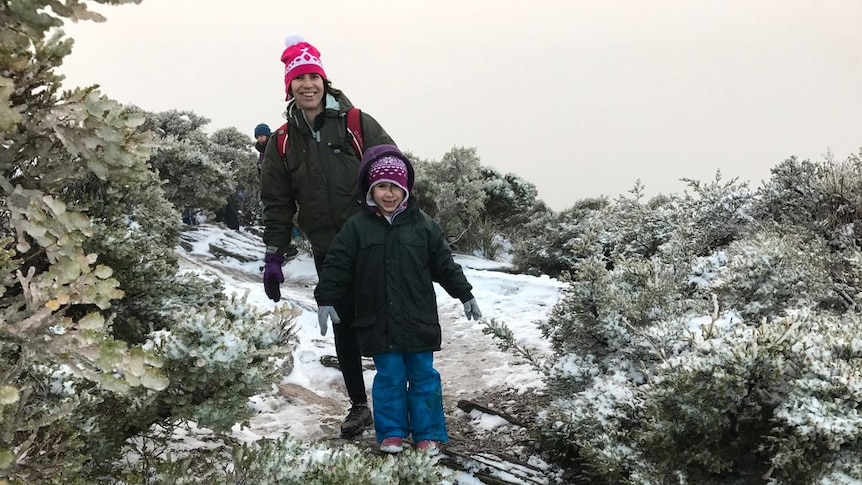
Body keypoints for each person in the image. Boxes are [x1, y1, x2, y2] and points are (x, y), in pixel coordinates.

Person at [259, 34, 395, 438]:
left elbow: (393, 172)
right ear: (289, 86)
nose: (307, 85)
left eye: (313, 77)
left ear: (324, 81)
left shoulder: (357, 123)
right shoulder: (282, 143)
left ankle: (396, 403)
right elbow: (277, 204)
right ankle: (359, 406)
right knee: (343, 324)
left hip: (374, 244)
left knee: (387, 320)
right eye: (298, 79)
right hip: (329, 251)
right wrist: (273, 256)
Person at [314, 145, 483, 455]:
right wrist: (326, 297)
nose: (388, 194)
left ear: (406, 188)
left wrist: (465, 293)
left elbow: (445, 264)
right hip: (378, 320)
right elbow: (337, 263)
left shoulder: (423, 225)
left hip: (418, 318)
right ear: (370, 188)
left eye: (395, 186)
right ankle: (391, 432)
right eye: (381, 186)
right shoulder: (357, 227)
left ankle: (428, 432)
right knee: (390, 377)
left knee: (423, 376)